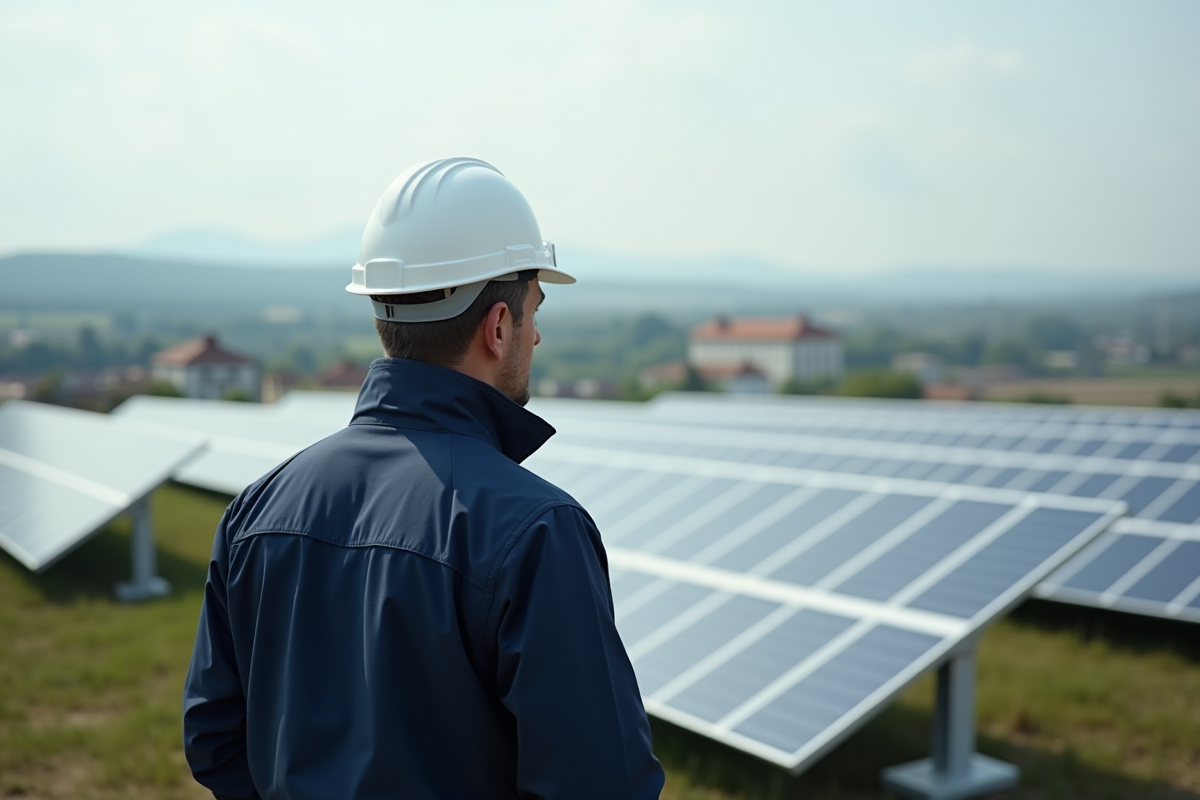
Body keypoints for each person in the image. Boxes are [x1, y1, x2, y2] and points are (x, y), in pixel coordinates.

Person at [182, 157, 665, 799]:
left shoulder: (258, 510)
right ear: (498, 327)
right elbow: (600, 783)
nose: (538, 335)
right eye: (533, 310)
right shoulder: (534, 531)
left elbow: (214, 738)